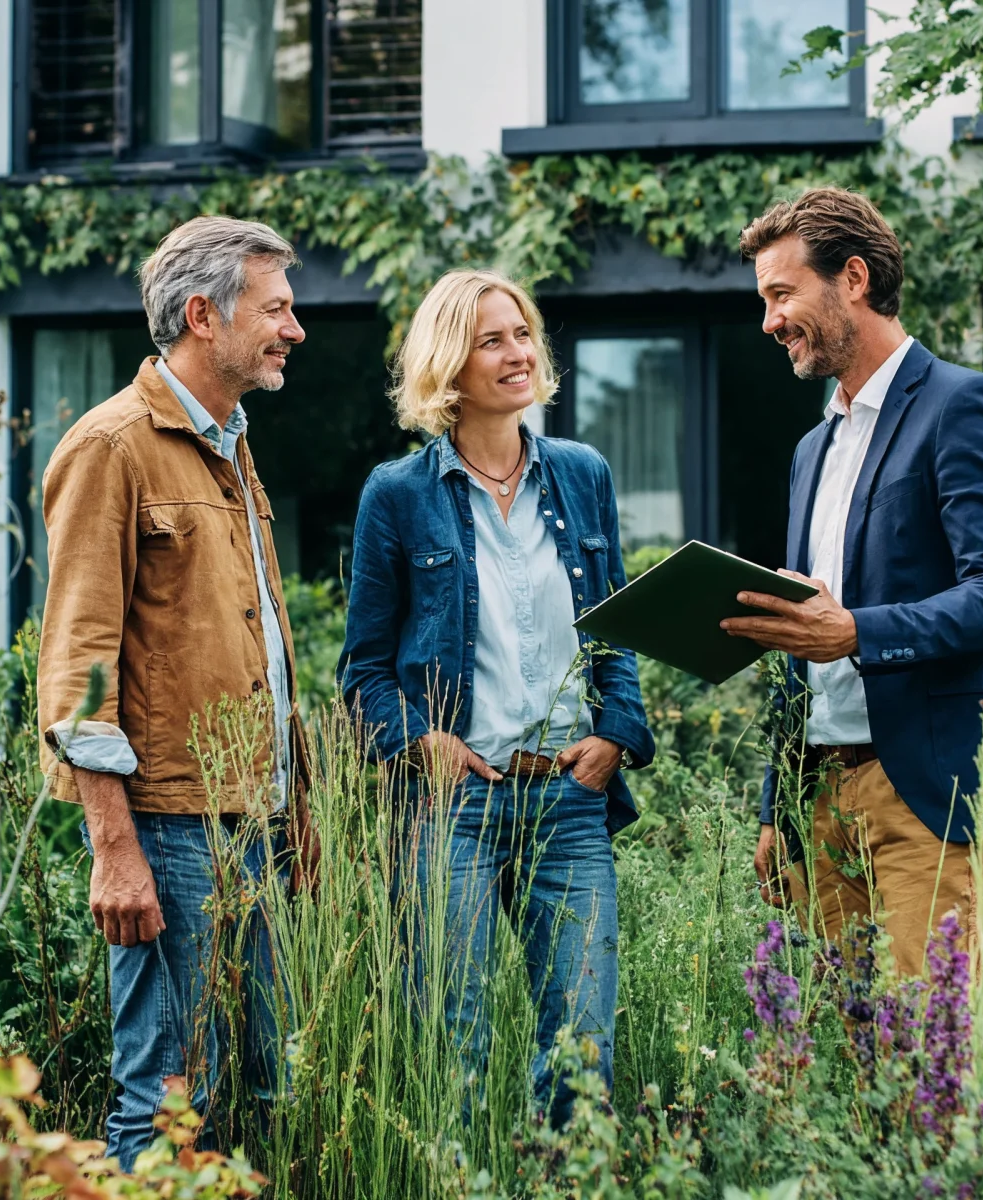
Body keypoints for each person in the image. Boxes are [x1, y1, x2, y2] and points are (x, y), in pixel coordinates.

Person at [338, 268, 654, 1124]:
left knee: (582, 1052)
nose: (518, 353)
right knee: (457, 1047)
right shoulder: (397, 497)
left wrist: (616, 734)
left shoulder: (582, 474)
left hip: (568, 798)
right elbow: (363, 668)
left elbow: (613, 627)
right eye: (492, 340)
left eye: (521, 334)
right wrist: (420, 743)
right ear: (449, 364)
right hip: (456, 808)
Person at [36, 215, 311, 1168]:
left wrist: (296, 807)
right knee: (167, 1095)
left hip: (255, 818)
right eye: (276, 308)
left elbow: (259, 644)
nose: (295, 328)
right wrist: (114, 848)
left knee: (263, 1084)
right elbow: (76, 668)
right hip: (169, 823)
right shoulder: (111, 447)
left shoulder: (230, 446)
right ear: (204, 314)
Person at [725, 188, 983, 977]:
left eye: (782, 293)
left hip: (927, 794)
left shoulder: (961, 406)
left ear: (854, 279)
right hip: (819, 794)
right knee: (852, 1073)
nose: (769, 320)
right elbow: (804, 634)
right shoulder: (811, 449)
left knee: (935, 1057)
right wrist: (777, 811)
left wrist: (859, 631)